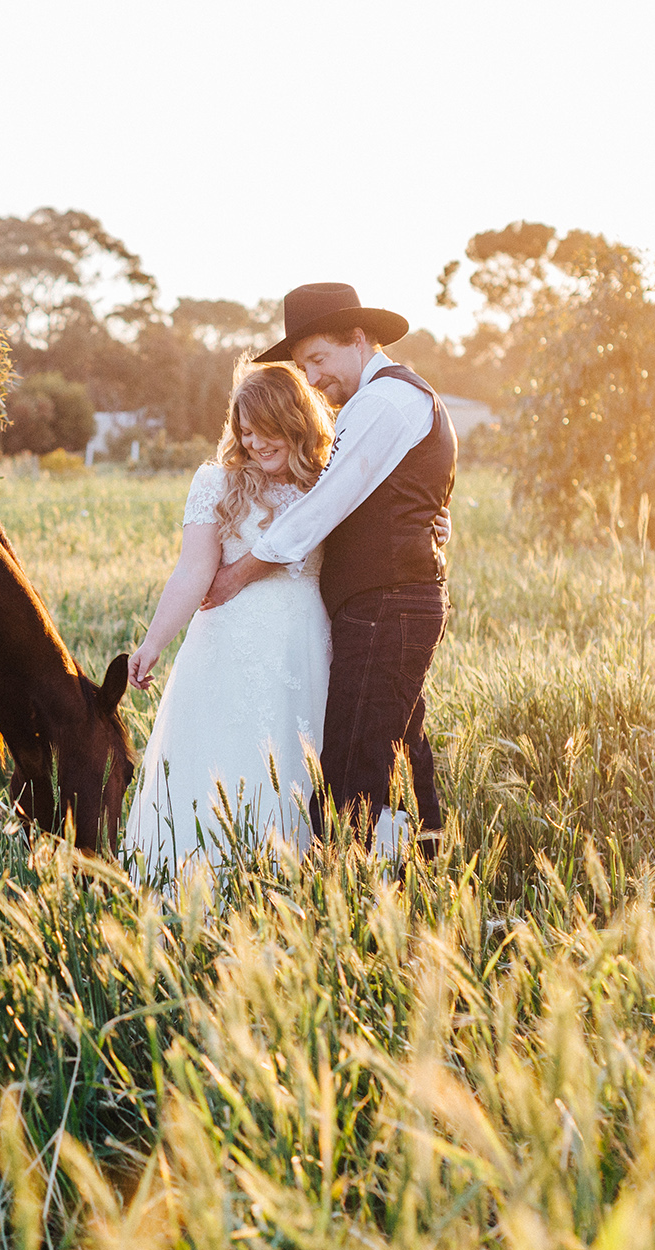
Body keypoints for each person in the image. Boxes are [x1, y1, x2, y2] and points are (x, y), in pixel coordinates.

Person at [202, 282, 457, 858]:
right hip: (384, 601)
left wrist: (238, 573)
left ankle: (349, 890)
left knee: (352, 759)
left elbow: (323, 507)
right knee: (397, 747)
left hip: (388, 603)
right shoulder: (392, 401)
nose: (312, 379)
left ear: (359, 339)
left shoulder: (384, 402)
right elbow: (406, 494)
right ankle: (416, 867)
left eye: (318, 360)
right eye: (302, 366)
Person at [124, 362, 336, 879]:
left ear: (298, 424)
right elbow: (193, 569)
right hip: (228, 643)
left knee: (297, 763)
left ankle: (291, 879)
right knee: (223, 756)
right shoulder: (217, 481)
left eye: (271, 435)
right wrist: (153, 642)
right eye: (247, 433)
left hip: (303, 645)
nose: (257, 446)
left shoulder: (331, 479)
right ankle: (203, 877)